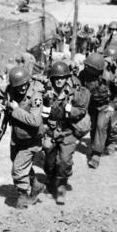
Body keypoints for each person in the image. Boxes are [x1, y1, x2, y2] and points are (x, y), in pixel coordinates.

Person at [0, 66, 44, 209]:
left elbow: (34, 121)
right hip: (17, 136)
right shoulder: (10, 88)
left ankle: (22, 196)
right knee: (18, 163)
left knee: (18, 169)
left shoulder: (36, 96)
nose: (22, 89)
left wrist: (15, 109)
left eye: (24, 84)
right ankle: (36, 185)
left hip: (32, 139)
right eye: (18, 86)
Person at [40, 60, 89, 205]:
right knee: (49, 160)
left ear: (67, 77)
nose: (59, 81)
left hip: (68, 131)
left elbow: (82, 110)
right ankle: (50, 178)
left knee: (64, 161)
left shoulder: (75, 92)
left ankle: (61, 185)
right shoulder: (46, 91)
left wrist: (70, 110)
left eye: (62, 78)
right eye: (56, 78)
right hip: (50, 131)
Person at [78, 52, 117, 168]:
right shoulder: (83, 74)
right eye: (86, 66)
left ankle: (96, 155)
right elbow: (77, 87)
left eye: (89, 67)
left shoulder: (109, 76)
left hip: (105, 106)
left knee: (101, 126)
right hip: (91, 105)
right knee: (93, 126)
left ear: (97, 69)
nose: (86, 68)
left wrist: (113, 105)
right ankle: (93, 144)